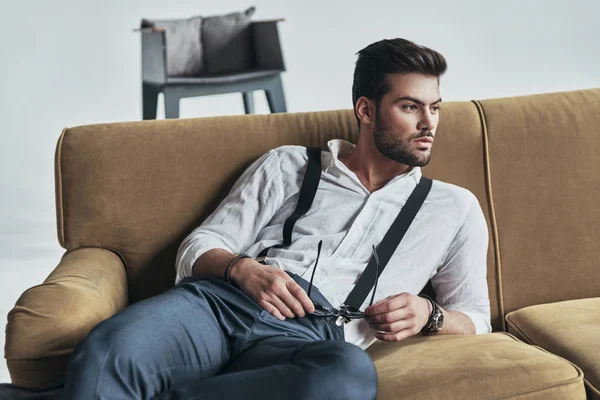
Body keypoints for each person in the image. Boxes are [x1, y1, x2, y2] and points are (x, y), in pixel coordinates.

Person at [62, 38, 491, 400]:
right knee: (106, 352)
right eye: (410, 107)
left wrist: (430, 314)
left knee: (346, 376)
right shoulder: (289, 165)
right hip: (221, 305)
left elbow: (476, 317)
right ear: (366, 109)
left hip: (312, 338)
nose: (428, 123)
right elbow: (198, 245)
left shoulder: (454, 208)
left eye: (434, 108)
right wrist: (241, 269)